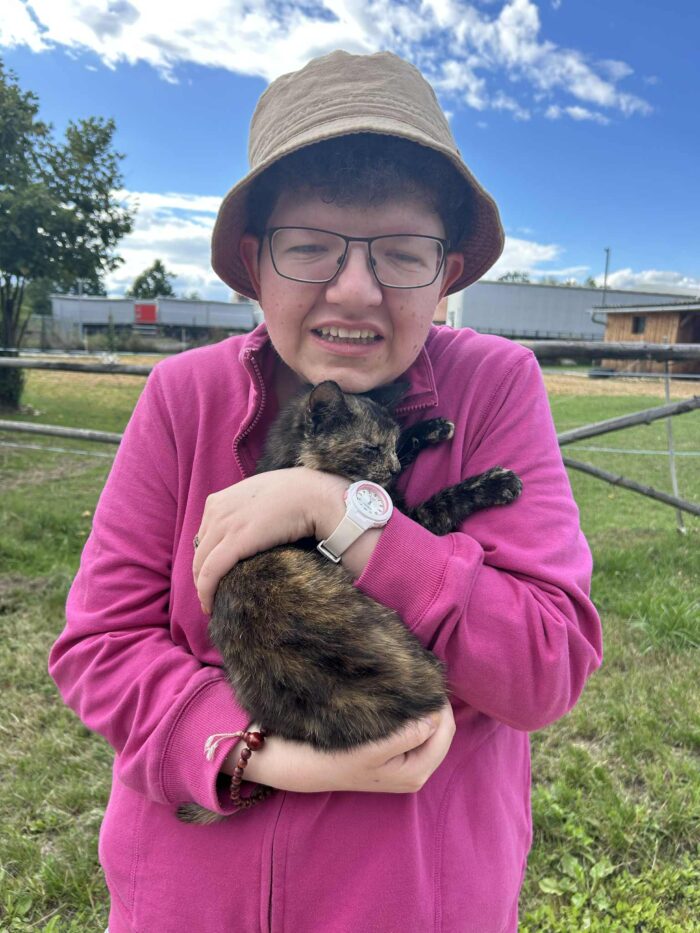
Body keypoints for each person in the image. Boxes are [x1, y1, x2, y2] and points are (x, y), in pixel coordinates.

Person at [49, 50, 602, 933]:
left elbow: (546, 662)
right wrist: (266, 754)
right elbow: (100, 646)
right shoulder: (184, 397)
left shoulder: (495, 387)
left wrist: (342, 513)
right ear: (253, 261)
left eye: (402, 254)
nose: (355, 290)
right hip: (188, 906)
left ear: (447, 273)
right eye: (309, 247)